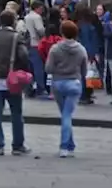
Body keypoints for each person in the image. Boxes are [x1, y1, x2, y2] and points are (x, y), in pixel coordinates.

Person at [0, 9, 31, 156]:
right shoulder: (17, 37)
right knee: (16, 113)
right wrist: (23, 72)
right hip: (12, 80)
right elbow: (23, 56)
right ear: (14, 21)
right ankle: (17, 145)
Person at [46, 20, 89, 157]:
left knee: (65, 114)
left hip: (58, 82)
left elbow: (48, 68)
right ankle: (69, 145)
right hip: (74, 83)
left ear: (62, 32)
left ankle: (64, 146)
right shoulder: (81, 49)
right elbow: (84, 70)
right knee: (67, 114)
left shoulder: (55, 49)